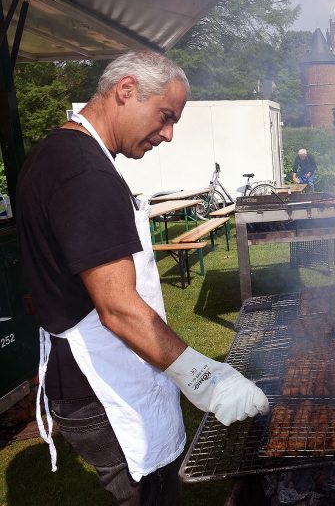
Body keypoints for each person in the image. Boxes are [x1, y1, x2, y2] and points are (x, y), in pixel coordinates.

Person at [17, 51, 269, 504]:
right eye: (165, 116)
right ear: (126, 90)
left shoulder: (57, 153)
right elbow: (116, 307)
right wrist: (206, 380)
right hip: (100, 388)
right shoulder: (83, 172)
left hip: (79, 377)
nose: (168, 135)